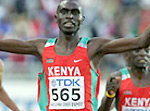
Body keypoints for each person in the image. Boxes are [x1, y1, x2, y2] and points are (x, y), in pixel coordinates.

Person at [1, 0, 150, 110]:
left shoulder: (93, 47)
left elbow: (141, 42)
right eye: (64, 12)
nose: (69, 16)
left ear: (82, 19)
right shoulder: (42, 47)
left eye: (75, 13)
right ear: (56, 18)